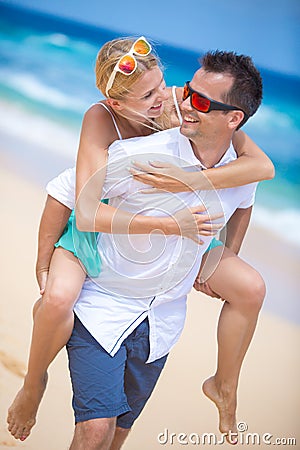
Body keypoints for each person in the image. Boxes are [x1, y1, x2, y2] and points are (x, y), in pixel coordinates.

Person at [7, 38, 273, 445]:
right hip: (92, 230)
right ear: (118, 104)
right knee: (57, 297)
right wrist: (44, 260)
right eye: (152, 95)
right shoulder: (112, 128)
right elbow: (72, 197)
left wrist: (214, 243)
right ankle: (33, 382)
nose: (173, 100)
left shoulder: (183, 111)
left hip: (159, 266)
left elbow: (255, 179)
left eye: (169, 87)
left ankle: (224, 384)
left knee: (252, 288)